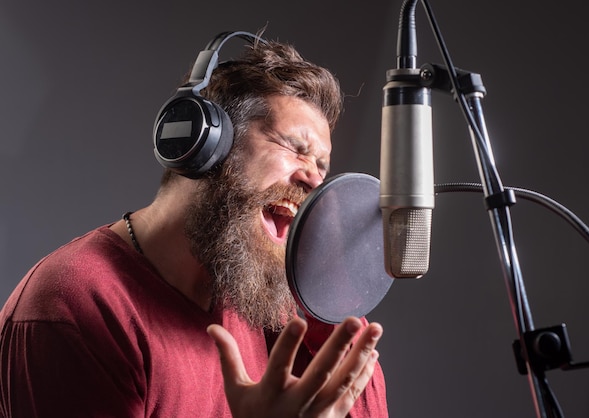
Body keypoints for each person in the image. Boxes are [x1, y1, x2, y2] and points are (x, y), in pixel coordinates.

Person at [0, 32, 388, 417]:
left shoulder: (260, 300)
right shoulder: (74, 309)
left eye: (322, 166)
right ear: (208, 147)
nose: (316, 181)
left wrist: (329, 300)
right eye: (295, 147)